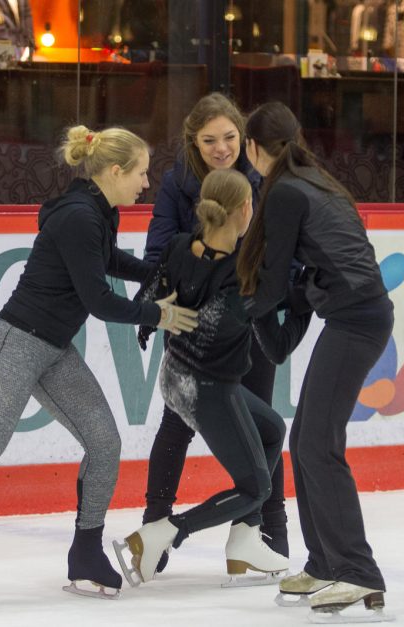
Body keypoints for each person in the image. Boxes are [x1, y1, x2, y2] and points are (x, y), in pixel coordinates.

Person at [0, 126, 198, 614]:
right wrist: (158, 312)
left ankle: (86, 553)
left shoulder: (98, 211)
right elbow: (96, 299)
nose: (145, 183)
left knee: (104, 441)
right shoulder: (77, 216)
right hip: (15, 343)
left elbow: (106, 260)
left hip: (52, 349)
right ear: (115, 171)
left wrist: (157, 274)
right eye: (139, 173)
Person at [236, 102, 395, 621]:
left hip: (356, 321)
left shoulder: (284, 191)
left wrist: (240, 311)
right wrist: (267, 317)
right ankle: (326, 562)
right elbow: (301, 283)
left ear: (254, 149)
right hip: (355, 317)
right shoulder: (318, 181)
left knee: (318, 446)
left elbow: (277, 280)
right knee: (307, 441)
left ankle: (358, 571)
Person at [115, 168, 307, 586]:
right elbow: (272, 343)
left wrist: (158, 319)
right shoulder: (241, 276)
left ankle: (244, 538)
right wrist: (303, 306)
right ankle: (160, 534)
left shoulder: (181, 245)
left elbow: (149, 294)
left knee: (271, 430)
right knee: (255, 487)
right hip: (205, 387)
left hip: (176, 375)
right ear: (244, 209)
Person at [140, 93, 291, 569]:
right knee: (177, 425)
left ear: (243, 139)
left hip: (250, 326)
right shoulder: (177, 185)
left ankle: (261, 531)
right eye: (210, 141)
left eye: (229, 138)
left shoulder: (266, 182)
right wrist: (158, 306)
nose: (221, 148)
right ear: (194, 143)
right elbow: (159, 251)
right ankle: (156, 523)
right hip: (195, 331)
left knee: (264, 425)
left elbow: (285, 252)